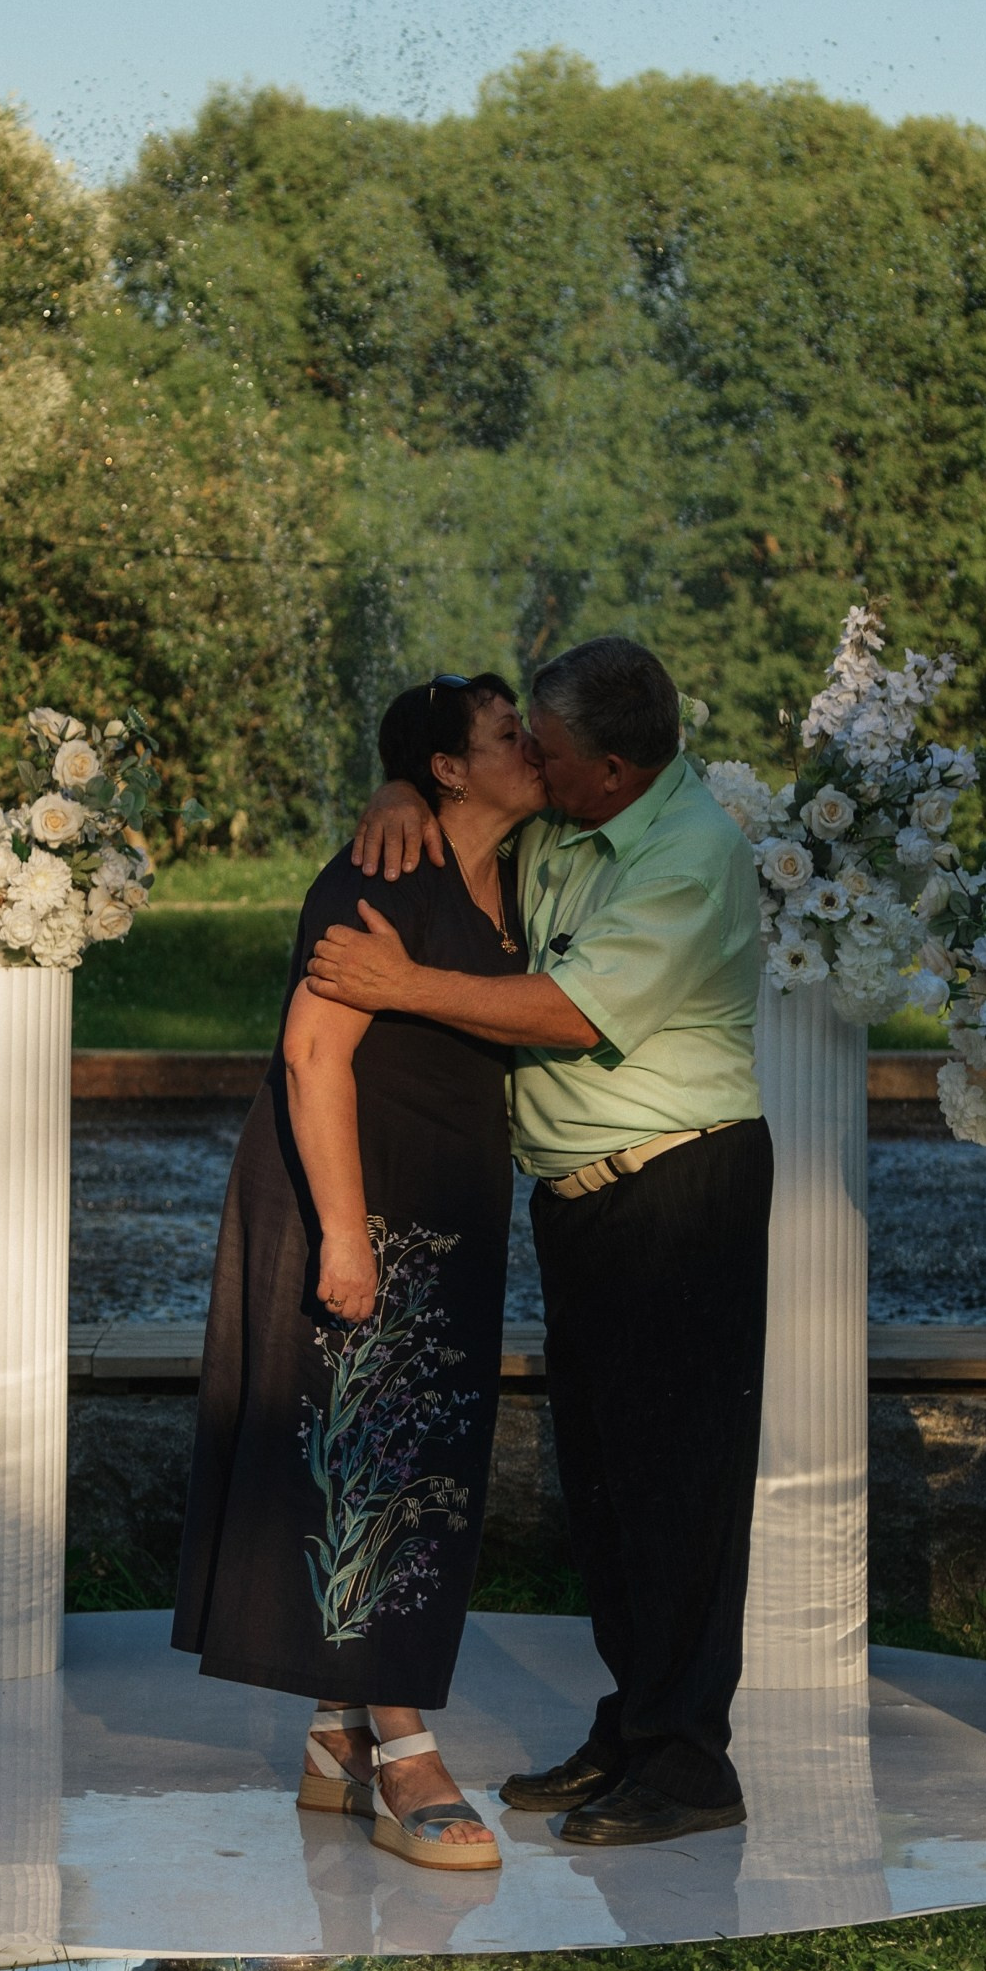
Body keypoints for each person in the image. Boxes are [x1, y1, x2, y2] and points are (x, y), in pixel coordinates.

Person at [309, 635, 770, 1849]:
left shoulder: (686, 857)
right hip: (583, 1200)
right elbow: (464, 798)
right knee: (608, 1485)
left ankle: (688, 1766)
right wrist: (404, 783)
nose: (534, 766)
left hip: (681, 1189)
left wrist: (396, 983)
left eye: (549, 753)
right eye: (522, 745)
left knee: (677, 1483)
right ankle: (631, 1727)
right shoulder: (570, 817)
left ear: (611, 768)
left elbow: (567, 1012)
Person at [172, 672, 546, 1871]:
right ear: (446, 768)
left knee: (408, 1462)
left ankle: (334, 1738)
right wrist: (342, 1234)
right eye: (503, 736)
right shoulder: (377, 874)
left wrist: (392, 775)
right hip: (357, 1200)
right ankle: (403, 1750)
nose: (530, 746)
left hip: (447, 1204)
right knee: (377, 1464)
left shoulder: (525, 866)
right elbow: (310, 1051)